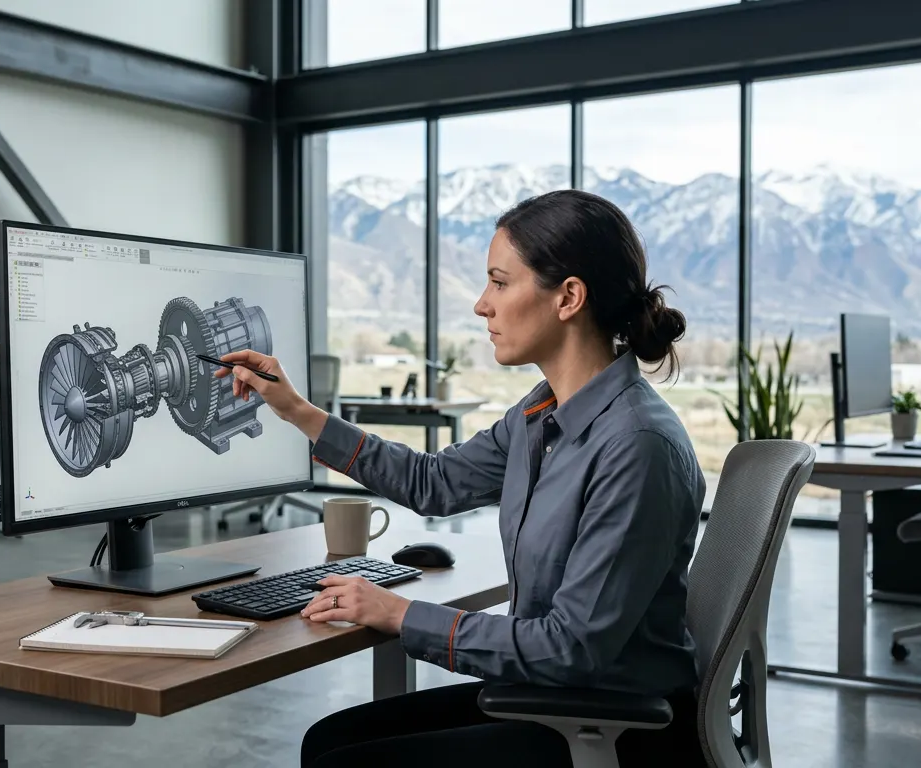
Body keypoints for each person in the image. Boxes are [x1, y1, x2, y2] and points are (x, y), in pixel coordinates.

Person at [215, 189, 707, 768]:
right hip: (563, 696)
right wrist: (298, 411)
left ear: (568, 297)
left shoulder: (634, 445)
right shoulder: (543, 414)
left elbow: (570, 648)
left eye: (500, 283)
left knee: (339, 761)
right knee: (326, 741)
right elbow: (434, 481)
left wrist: (400, 615)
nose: (481, 304)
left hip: (617, 726)